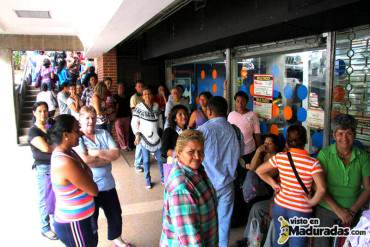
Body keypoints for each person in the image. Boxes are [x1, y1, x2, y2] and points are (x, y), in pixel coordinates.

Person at [256, 125, 326, 247]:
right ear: (306, 141)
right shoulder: (313, 163)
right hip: (300, 210)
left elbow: (259, 171)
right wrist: (311, 202)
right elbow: (322, 189)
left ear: (287, 142)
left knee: (281, 240)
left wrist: (274, 184)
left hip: (280, 207)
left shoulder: (280, 157)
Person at [75, 106, 131, 247]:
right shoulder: (78, 138)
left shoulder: (103, 133)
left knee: (115, 215)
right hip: (89, 187)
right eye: (87, 118)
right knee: (91, 220)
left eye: (93, 118)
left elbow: (116, 154)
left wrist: (96, 152)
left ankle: (116, 239)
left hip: (107, 184)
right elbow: (85, 160)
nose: (90, 121)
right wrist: (106, 157)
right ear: (80, 120)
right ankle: (92, 244)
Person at [314, 114, 370, 247]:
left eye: (349, 133)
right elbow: (317, 186)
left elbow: (368, 188)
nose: (344, 138)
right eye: (340, 133)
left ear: (354, 135)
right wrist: (338, 210)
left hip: (353, 211)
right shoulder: (325, 154)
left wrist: (352, 211)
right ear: (334, 135)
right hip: (327, 209)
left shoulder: (363, 157)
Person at [197, 96, 243, 247]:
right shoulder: (236, 131)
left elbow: (193, 158)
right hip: (228, 184)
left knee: (204, 221)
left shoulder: (202, 131)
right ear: (226, 111)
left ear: (209, 111)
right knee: (224, 221)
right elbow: (240, 154)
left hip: (206, 185)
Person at [160, 130, 218, 246]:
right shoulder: (181, 189)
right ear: (179, 153)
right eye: (191, 152)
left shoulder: (196, 170)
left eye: (200, 151)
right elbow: (190, 240)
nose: (197, 156)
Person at [49, 114, 98, 246]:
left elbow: (88, 171)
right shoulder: (65, 161)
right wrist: (86, 175)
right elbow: (93, 189)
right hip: (73, 224)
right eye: (76, 130)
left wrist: (86, 175)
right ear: (66, 135)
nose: (80, 133)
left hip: (81, 220)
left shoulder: (69, 152)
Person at [28, 102, 58, 240]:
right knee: (45, 198)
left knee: (56, 195)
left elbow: (59, 139)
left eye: (45, 111)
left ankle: (56, 222)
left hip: (56, 164)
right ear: (34, 112)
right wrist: (58, 147)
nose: (43, 114)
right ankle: (45, 228)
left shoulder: (49, 127)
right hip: (43, 168)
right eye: (39, 111)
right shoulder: (33, 131)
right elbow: (46, 148)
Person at [131, 87, 164, 189]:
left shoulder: (156, 106)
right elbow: (134, 122)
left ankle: (163, 178)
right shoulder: (139, 107)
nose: (147, 96)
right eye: (145, 94)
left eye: (149, 94)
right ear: (142, 96)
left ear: (152, 95)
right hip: (144, 138)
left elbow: (160, 120)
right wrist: (137, 134)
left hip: (156, 137)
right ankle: (147, 180)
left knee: (160, 159)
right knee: (145, 161)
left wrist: (161, 130)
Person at [228, 91, 261, 165]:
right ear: (235, 102)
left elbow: (257, 134)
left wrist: (259, 151)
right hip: (234, 151)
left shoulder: (253, 115)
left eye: (243, 101)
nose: (240, 104)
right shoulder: (231, 115)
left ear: (246, 102)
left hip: (249, 150)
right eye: (238, 101)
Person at [130, 81, 144, 172]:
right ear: (136, 88)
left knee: (144, 143)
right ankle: (137, 164)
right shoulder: (134, 98)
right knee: (139, 143)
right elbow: (133, 112)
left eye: (141, 86)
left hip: (145, 122)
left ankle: (141, 161)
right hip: (137, 122)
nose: (140, 88)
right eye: (138, 86)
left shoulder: (144, 96)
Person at [114, 83, 132, 151]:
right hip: (118, 117)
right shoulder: (115, 97)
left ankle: (127, 145)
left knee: (126, 132)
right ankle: (123, 146)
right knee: (120, 133)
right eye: (120, 87)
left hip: (126, 116)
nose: (122, 89)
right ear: (117, 88)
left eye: (122, 87)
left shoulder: (127, 96)